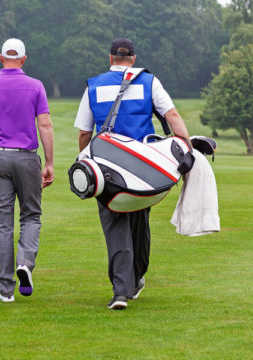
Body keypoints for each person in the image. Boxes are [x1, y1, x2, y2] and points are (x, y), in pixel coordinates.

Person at [73, 38, 191, 310]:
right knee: (139, 223)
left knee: (116, 226)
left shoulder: (93, 85)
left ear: (110, 57)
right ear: (133, 59)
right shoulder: (149, 82)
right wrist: (186, 148)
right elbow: (171, 114)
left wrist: (87, 159)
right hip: (143, 167)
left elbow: (83, 133)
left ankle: (120, 291)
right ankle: (135, 278)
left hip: (106, 170)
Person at [0, 38, 54, 303]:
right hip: (27, 158)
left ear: (1, 57)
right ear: (24, 59)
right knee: (30, 216)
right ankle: (25, 264)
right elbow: (46, 125)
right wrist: (49, 162)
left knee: (2, 226)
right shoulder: (36, 86)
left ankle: (6, 291)